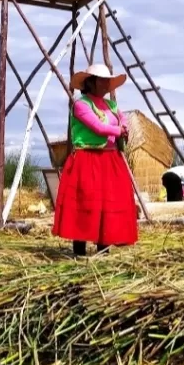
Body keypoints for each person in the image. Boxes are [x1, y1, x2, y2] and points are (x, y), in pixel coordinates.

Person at [53, 63, 138, 257]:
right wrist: (119, 130)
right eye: (102, 81)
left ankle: (103, 249)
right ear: (90, 82)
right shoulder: (81, 104)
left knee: (108, 204)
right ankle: (79, 252)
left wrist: (123, 126)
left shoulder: (111, 105)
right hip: (87, 159)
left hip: (110, 159)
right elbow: (98, 127)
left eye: (108, 81)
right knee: (85, 204)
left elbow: (122, 119)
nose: (106, 85)